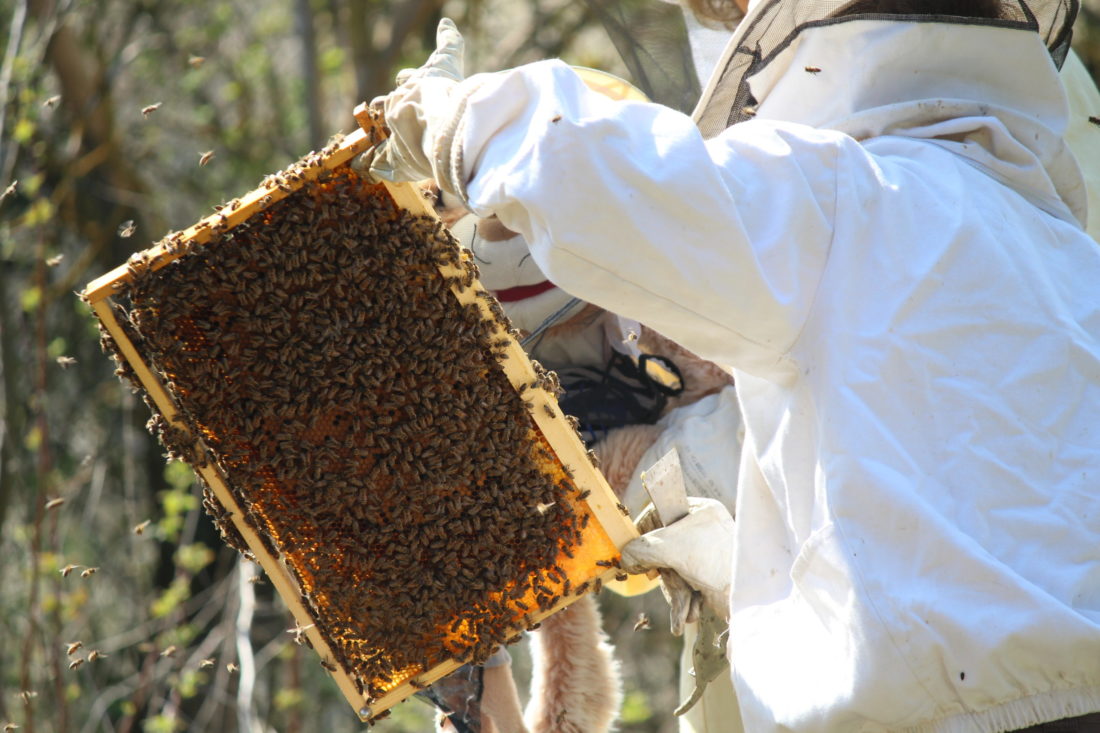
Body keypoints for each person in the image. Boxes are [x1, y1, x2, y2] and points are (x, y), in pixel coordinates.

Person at [369, 1, 1100, 731]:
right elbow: (888, 463)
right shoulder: (1055, 244)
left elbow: (608, 183)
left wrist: (455, 120)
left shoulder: (839, 194)